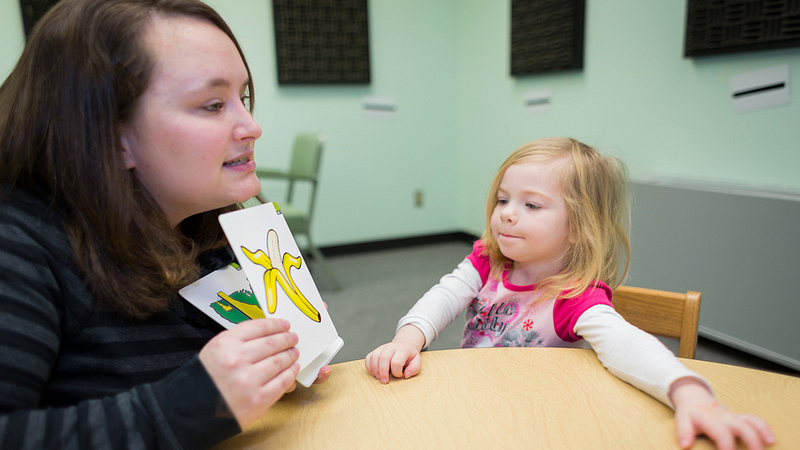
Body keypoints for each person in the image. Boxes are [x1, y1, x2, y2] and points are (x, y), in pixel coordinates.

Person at [0, 0, 329, 448]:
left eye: (244, 98)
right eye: (213, 105)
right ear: (113, 139)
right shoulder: (19, 246)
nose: (252, 126)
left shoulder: (209, 231)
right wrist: (189, 404)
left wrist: (274, 363)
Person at [365, 137, 775, 450]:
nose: (507, 213)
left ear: (578, 226)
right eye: (504, 199)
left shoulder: (573, 296)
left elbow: (624, 344)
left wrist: (690, 393)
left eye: (532, 205)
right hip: (474, 402)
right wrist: (408, 338)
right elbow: (445, 295)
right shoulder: (487, 260)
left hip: (535, 420)